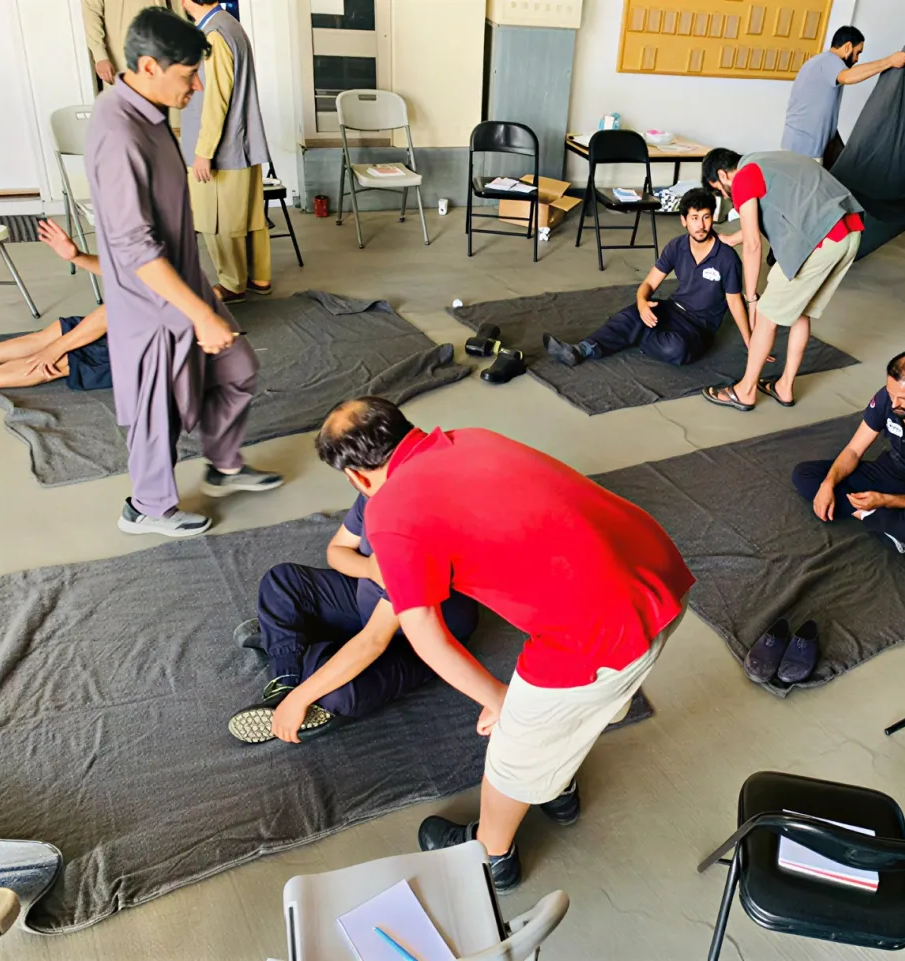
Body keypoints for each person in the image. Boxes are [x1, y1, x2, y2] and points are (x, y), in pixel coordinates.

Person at [315, 397, 694, 892]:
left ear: (357, 478)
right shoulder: (471, 435)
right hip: (660, 573)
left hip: (599, 634)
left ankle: (491, 855)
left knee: (510, 754)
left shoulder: (387, 510)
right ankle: (556, 787)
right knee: (576, 713)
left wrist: (499, 701)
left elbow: (426, 637)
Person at [86, 7, 281, 539]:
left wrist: (201, 303)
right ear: (148, 67)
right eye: (187, 74)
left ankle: (224, 464)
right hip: (152, 301)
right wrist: (200, 314)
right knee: (158, 409)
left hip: (186, 280)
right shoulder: (119, 131)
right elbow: (132, 245)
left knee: (236, 366)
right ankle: (146, 507)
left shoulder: (149, 112)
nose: (196, 85)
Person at [227, 493, 481, 745]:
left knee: (338, 693)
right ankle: (286, 678)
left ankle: (292, 646)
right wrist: (369, 568)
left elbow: (373, 640)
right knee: (282, 582)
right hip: (367, 604)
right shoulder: (372, 492)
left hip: (417, 642)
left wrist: (299, 699)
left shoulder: (414, 533)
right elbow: (337, 551)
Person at [700, 147, 863, 411]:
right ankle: (784, 386)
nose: (724, 195)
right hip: (849, 233)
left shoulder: (742, 178)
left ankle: (745, 391)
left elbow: (753, 244)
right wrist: (730, 239)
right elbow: (765, 221)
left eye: (719, 189)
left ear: (722, 174)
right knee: (800, 310)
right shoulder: (767, 161)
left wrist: (751, 298)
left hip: (819, 241)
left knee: (766, 317)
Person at [542, 188, 747, 368]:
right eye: (694, 218)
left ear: (713, 218)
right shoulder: (677, 246)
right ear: (684, 221)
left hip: (698, 327)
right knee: (630, 315)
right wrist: (641, 304)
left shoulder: (726, 258)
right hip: (673, 309)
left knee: (676, 349)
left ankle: (634, 334)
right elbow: (649, 283)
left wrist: (751, 342)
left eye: (706, 217)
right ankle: (581, 350)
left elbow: (735, 301)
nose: (701, 225)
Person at [791, 351, 905, 553]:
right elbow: (853, 450)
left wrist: (885, 501)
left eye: (903, 398)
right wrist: (828, 484)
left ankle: (880, 517)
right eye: (891, 393)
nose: (894, 404)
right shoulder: (887, 397)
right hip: (886, 472)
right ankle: (877, 519)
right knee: (804, 475)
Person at [178, 1, 272, 303]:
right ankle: (259, 277)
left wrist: (203, 151)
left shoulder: (213, 35)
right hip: (243, 144)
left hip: (222, 148)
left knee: (217, 220)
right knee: (249, 216)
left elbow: (215, 98)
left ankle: (232, 284)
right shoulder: (230, 25)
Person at [0, 220, 110, 391]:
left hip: (150, 345)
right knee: (50, 336)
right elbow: (125, 274)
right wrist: (77, 256)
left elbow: (112, 312)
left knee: (59, 363)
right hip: (122, 322)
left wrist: (56, 349)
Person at [782, 25, 905, 164]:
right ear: (847, 47)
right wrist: (890, 61)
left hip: (806, 144)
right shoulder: (829, 60)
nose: (856, 59)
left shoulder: (820, 62)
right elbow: (848, 77)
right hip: (804, 150)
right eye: (858, 52)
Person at [83, 0, 173, 86]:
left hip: (162, 51)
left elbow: (175, 7)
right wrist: (100, 55)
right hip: (122, 58)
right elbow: (91, 13)